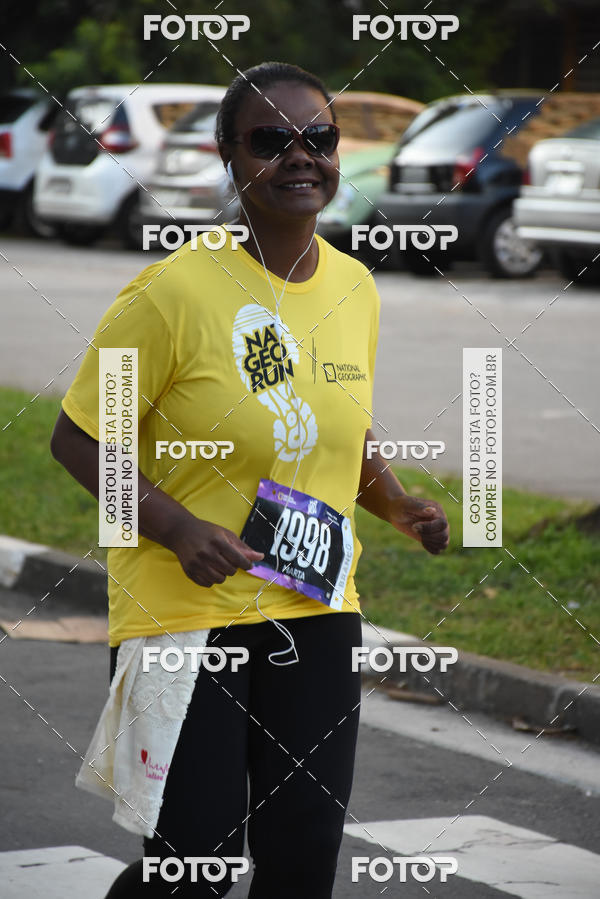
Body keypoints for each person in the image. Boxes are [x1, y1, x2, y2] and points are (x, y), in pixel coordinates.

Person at [50, 61, 449, 898]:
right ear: (229, 158)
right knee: (195, 864)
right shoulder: (170, 293)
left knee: (303, 855)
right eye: (272, 140)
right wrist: (177, 527)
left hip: (316, 603)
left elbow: (340, 421)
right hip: (184, 618)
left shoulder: (356, 287)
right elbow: (79, 439)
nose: (301, 157)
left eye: (320, 138)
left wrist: (395, 500)